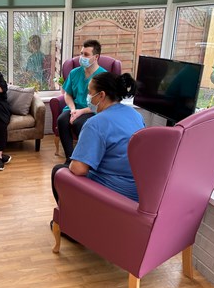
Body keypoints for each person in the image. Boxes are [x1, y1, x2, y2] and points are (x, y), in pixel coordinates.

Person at [51, 72, 145, 204]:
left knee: (58, 171)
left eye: (90, 93)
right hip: (138, 191)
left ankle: (66, 218)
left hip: (114, 192)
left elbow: (78, 169)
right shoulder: (136, 115)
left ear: (101, 95)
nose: (88, 98)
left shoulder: (95, 123)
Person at [58, 39, 107, 163]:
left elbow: (102, 103)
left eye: (86, 55)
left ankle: (84, 160)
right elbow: (67, 94)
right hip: (74, 108)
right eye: (81, 53)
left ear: (96, 57)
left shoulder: (103, 77)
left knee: (79, 124)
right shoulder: (74, 72)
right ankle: (69, 159)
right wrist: (73, 109)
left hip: (92, 110)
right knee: (62, 120)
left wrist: (81, 112)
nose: (81, 57)